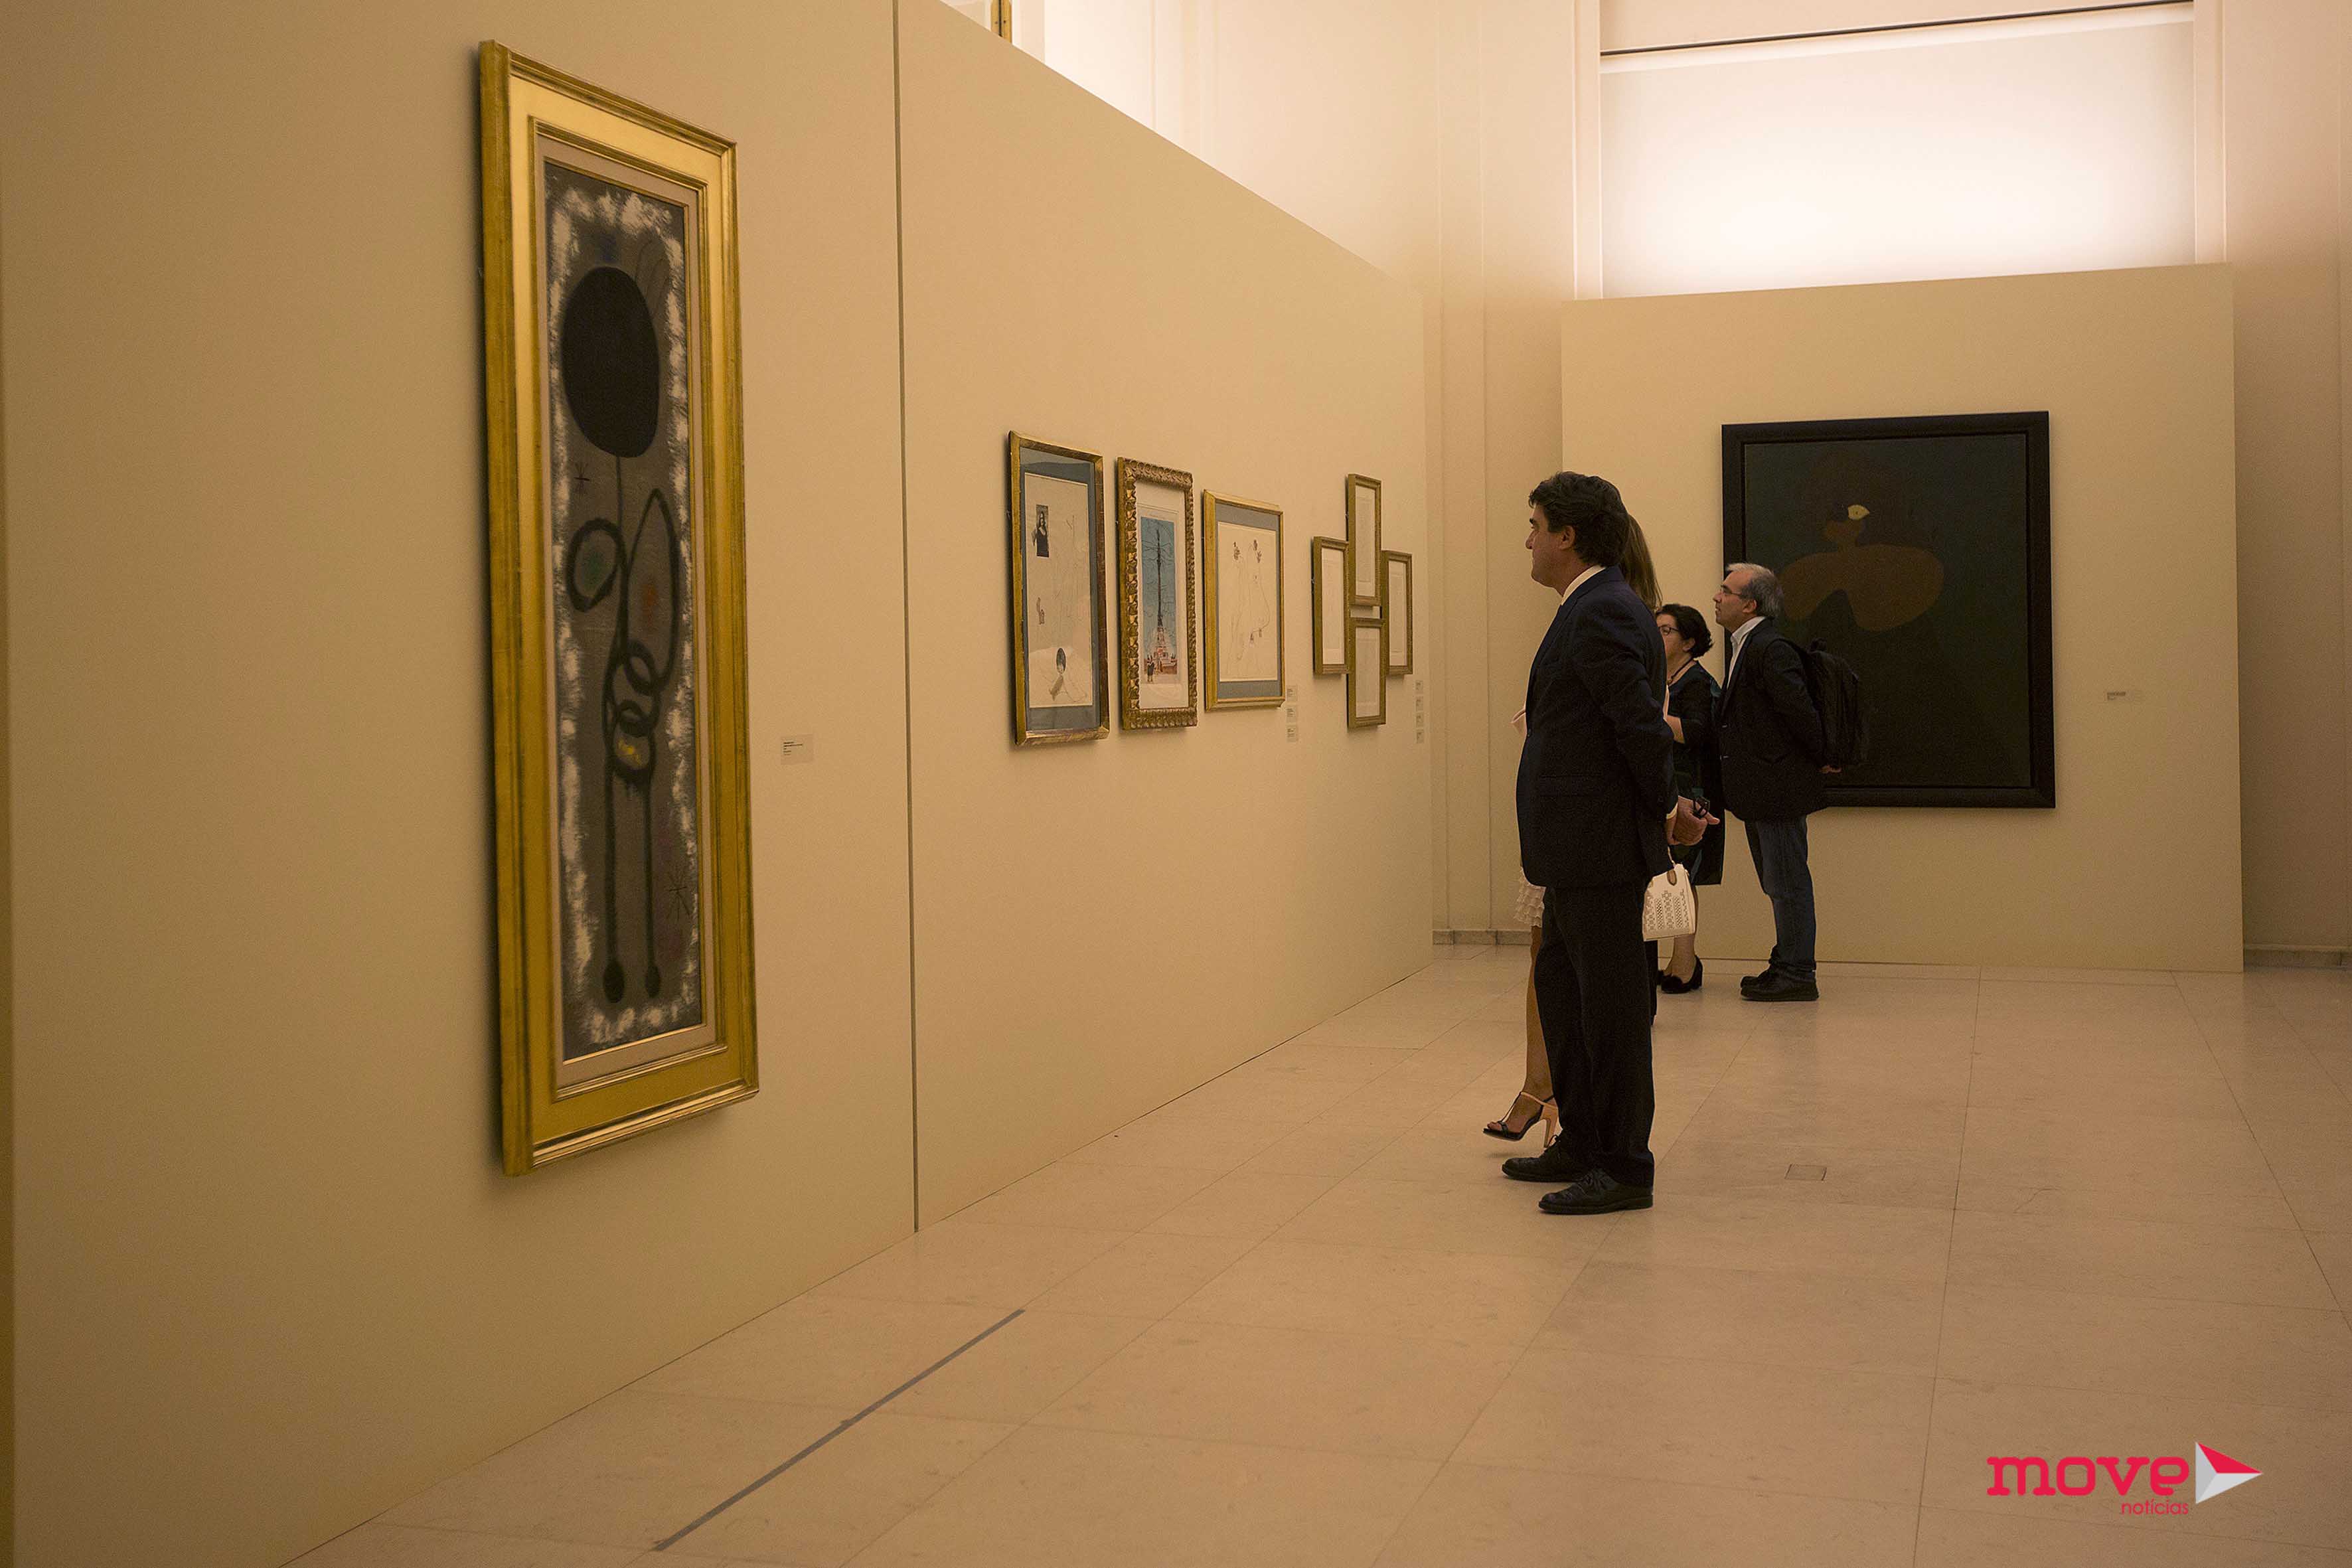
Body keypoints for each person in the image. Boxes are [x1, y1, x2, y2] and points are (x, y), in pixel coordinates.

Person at [1502, 472, 1707, 1216]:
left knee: (1612, 1011)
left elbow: (1638, 727)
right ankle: (1582, 1140)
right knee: (1566, 997)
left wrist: (1665, 810)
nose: (1527, 540)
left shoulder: (1604, 610)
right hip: (1573, 851)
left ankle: (1623, 1165)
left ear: (1567, 536)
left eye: (1535, 526)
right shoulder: (1589, 606)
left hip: (1601, 849)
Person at [1712, 564, 1829, 1002]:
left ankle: (1798, 973)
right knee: (1777, 882)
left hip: (1777, 789)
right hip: (1763, 789)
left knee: (1787, 883)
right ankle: (1786, 963)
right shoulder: (1749, 644)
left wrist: (1823, 755)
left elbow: (1799, 712)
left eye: (1726, 591)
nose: (1716, 597)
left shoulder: (1769, 647)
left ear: (1750, 605)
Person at [1655, 603, 1723, 991]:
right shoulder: (1659, 679)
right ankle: (1677, 961)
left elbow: (1699, 732)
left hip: (1693, 791)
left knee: (1684, 875)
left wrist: (1649, 719)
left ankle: (1685, 963)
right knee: (1667, 875)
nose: (1657, 636)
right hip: (1668, 787)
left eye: (1666, 631)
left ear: (1689, 641)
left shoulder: (1697, 682)